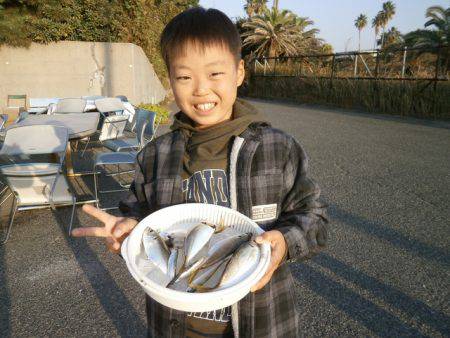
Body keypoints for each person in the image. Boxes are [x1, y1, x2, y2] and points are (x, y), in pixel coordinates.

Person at [72, 7, 328, 338]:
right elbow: (138, 217)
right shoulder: (154, 155)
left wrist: (283, 242)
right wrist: (129, 230)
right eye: (184, 77)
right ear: (170, 80)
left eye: (215, 74)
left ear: (239, 72)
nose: (201, 90)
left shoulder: (277, 149)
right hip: (174, 325)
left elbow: (315, 219)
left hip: (261, 322)